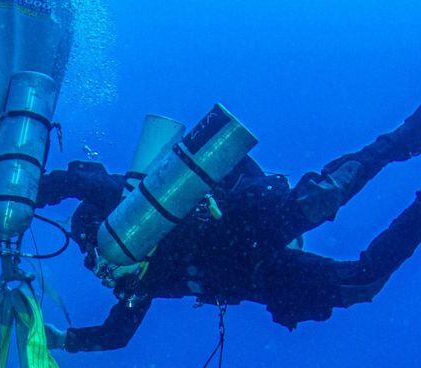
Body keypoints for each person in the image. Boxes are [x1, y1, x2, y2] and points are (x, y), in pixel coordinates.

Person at [43, 104, 421, 352]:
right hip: (252, 274)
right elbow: (117, 335)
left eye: (90, 243)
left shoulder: (129, 211)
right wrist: (61, 340)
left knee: (325, 196)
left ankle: (406, 137)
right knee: (360, 284)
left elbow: (82, 183)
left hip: (240, 227)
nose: (95, 254)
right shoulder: (135, 279)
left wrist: (29, 193)